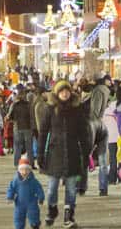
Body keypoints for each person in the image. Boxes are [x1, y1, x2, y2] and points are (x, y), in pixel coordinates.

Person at [36, 79, 90, 229]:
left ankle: (69, 215)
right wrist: (39, 155)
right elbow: (43, 133)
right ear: (57, 93)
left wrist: (87, 153)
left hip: (73, 152)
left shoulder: (77, 110)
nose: (65, 94)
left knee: (71, 187)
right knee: (52, 187)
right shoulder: (50, 109)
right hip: (55, 153)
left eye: (67, 91)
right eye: (61, 91)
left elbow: (83, 133)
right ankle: (52, 209)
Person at [7, 156, 46, 229]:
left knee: (34, 214)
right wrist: (10, 197)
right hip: (19, 202)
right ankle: (19, 226)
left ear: (30, 170)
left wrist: (41, 197)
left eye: (27, 170)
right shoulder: (15, 180)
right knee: (18, 216)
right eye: (22, 170)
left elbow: (39, 189)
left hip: (31, 201)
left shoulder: (33, 181)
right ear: (19, 170)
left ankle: (35, 225)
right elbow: (11, 188)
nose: (24, 172)